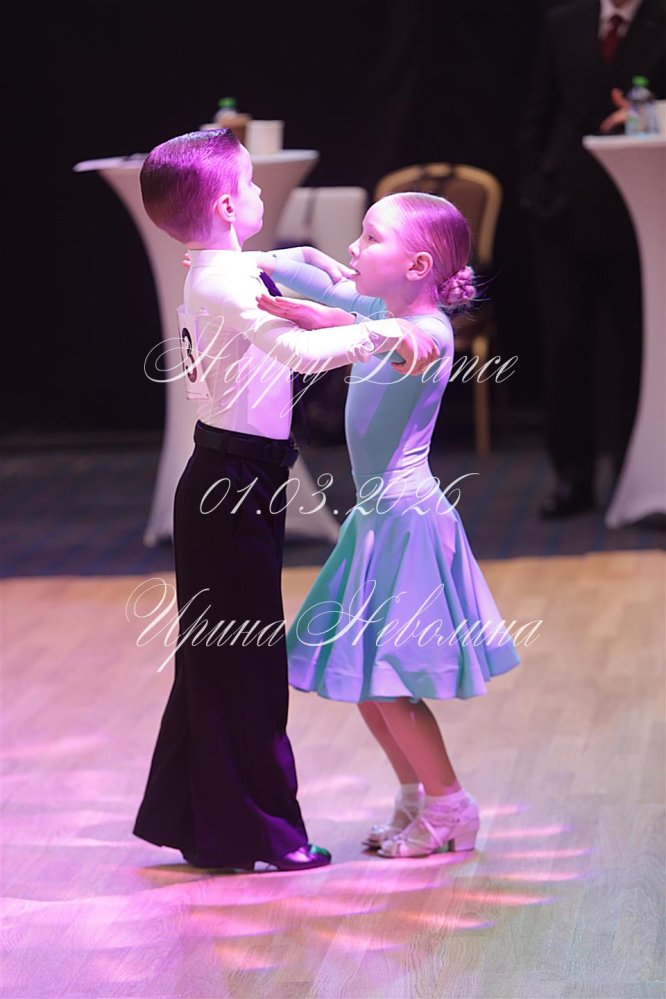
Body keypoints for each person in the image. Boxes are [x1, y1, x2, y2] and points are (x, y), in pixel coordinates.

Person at [132, 129, 439, 872]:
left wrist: (294, 257)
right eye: (250, 185)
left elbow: (246, 268)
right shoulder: (226, 285)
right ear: (227, 206)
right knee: (246, 667)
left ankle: (204, 821)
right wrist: (386, 332)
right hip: (231, 486)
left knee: (221, 662)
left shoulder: (219, 269)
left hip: (234, 479)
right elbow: (299, 352)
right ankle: (263, 834)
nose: (259, 193)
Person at [257, 192, 521, 859]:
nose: (355, 248)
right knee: (365, 683)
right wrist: (252, 262)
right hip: (376, 520)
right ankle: (418, 795)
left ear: (418, 266)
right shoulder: (385, 311)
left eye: (371, 238)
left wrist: (338, 324)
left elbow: (397, 344)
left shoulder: (429, 331)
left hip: (407, 523)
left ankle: (451, 805)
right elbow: (321, 275)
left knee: (390, 681)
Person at [518, 0, 666, 518]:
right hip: (564, 213)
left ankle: (637, 471)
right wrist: (534, 189)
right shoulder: (565, 22)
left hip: (641, 215)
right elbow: (538, 111)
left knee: (640, 347)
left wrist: (653, 113)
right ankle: (572, 476)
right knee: (566, 346)